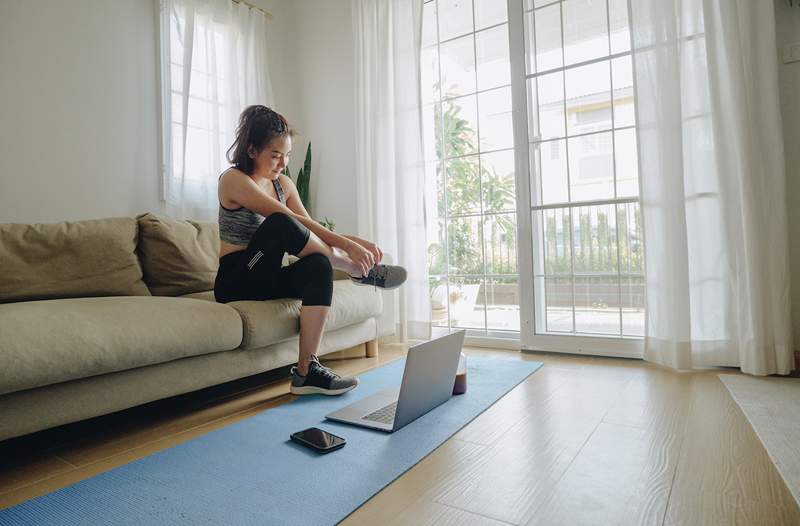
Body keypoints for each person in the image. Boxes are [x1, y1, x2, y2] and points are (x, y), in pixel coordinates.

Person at [214, 105, 407, 396]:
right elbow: (288, 221)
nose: (282, 163)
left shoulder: (284, 184)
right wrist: (347, 250)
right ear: (252, 150)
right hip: (238, 279)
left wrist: (354, 241)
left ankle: (307, 371)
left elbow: (309, 227)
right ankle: (354, 271)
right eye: (275, 155)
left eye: (287, 155)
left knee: (318, 265)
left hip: (268, 275)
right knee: (281, 222)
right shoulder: (233, 180)